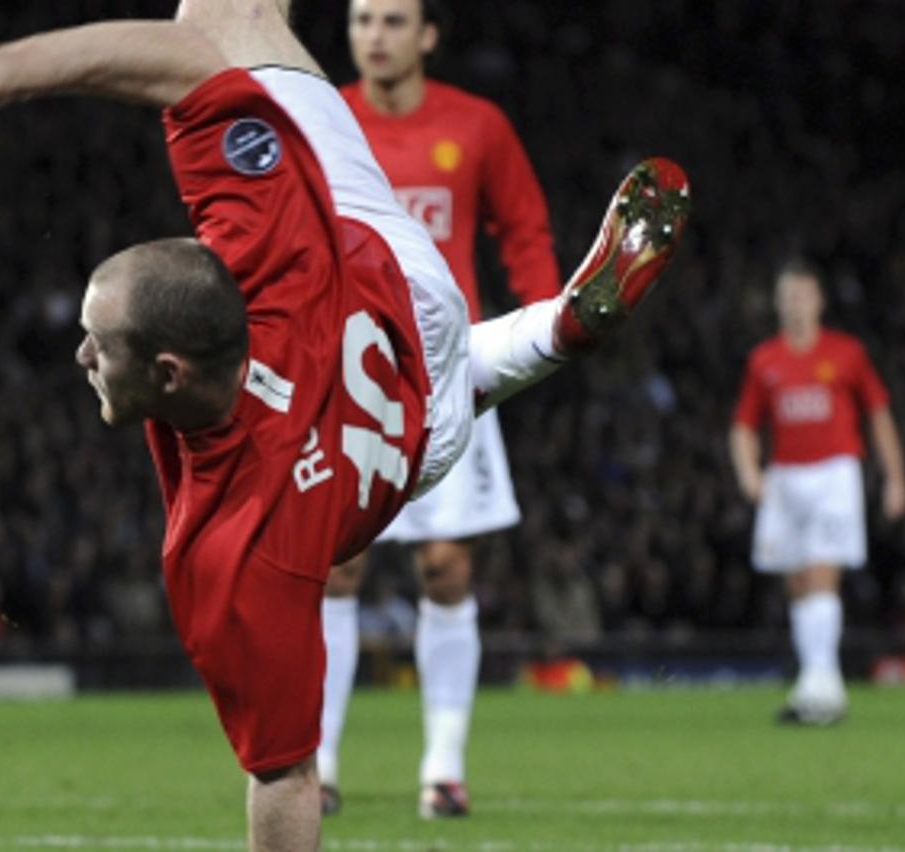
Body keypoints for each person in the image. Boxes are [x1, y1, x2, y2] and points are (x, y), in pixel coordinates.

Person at [0, 2, 690, 847]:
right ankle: (554, 328)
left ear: (169, 372)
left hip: (414, 441)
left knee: (422, 435)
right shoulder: (260, 248)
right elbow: (187, 59)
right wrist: (9, 71)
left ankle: (547, 338)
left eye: (98, 345)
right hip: (394, 292)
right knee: (224, 11)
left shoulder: (230, 553)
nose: (81, 357)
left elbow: (284, 777)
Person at [319, 0, 561, 819]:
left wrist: (549, 321)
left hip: (447, 368)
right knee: (336, 565)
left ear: (427, 36)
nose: (375, 35)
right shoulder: (327, 120)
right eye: (361, 20)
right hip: (348, 370)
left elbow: (523, 229)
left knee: (446, 566)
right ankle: (316, 765)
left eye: (393, 20)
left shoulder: (478, 125)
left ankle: (444, 768)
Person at [730, 260, 905, 726]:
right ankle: (818, 682)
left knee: (821, 571)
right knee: (795, 580)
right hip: (785, 477)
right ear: (777, 303)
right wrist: (750, 472)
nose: (795, 304)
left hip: (835, 473)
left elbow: (879, 413)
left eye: (803, 295)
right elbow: (744, 427)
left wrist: (895, 477)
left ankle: (822, 683)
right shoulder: (764, 360)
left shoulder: (847, 353)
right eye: (787, 296)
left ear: (819, 301)